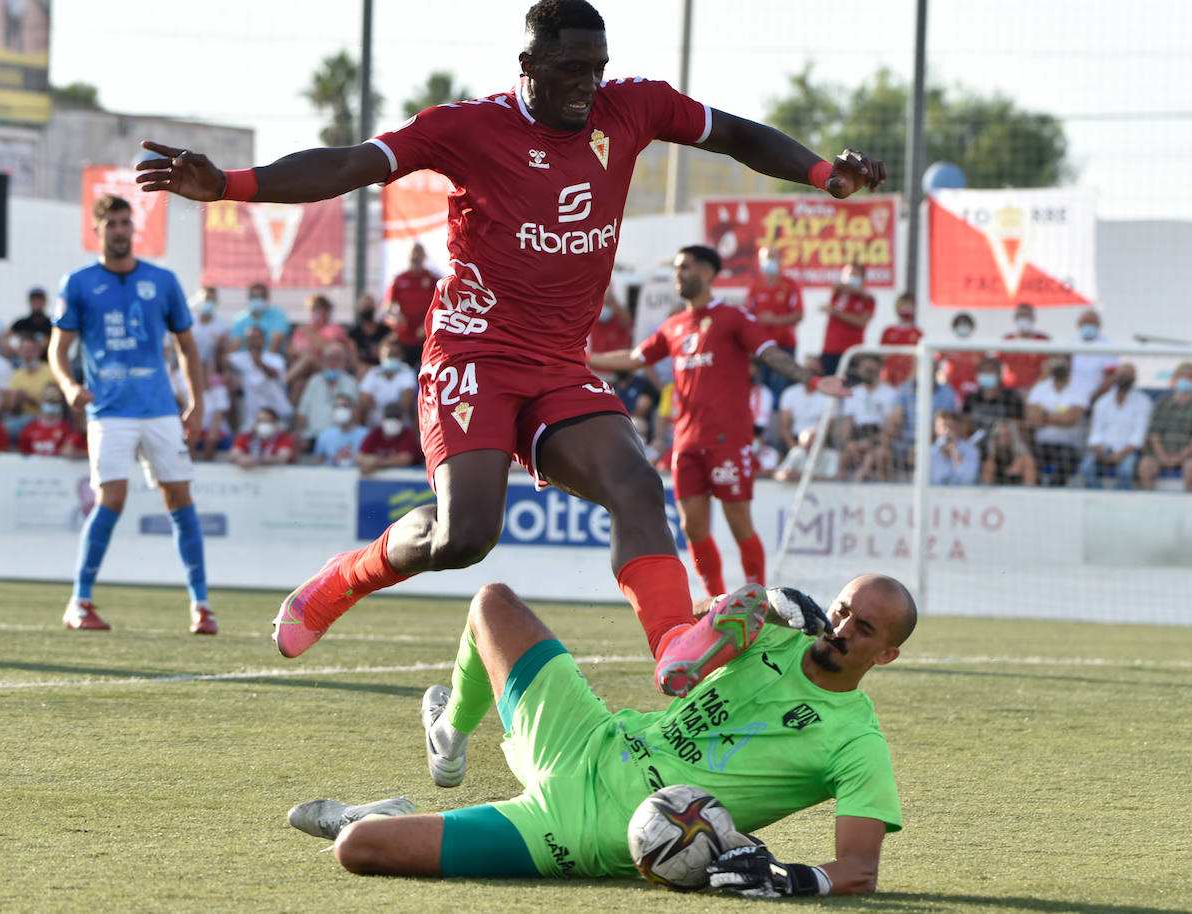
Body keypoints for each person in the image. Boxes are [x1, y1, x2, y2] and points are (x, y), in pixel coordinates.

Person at [134, 0, 885, 696]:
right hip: (473, 355)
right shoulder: (467, 128)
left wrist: (823, 174)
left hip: (560, 364)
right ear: (527, 67)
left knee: (635, 483)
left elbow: (733, 133)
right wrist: (230, 183)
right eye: (571, 69)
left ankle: (672, 644)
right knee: (467, 537)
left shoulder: (635, 105)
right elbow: (349, 164)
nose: (589, 84)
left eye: (598, 67)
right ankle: (346, 577)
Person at [288, 576, 913, 899]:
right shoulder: (777, 634)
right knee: (492, 604)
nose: (839, 629)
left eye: (862, 629)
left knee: (360, 849)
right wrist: (761, 602)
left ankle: (379, 816)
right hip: (589, 736)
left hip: (588, 828)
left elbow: (859, 871)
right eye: (840, 611)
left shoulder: (858, 744)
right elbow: (685, 640)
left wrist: (789, 879)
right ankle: (449, 735)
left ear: (884, 655)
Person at [590, 245, 846, 598]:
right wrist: (585, 359)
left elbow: (769, 353)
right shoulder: (674, 325)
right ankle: (716, 602)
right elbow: (635, 358)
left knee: (738, 521)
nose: (679, 274)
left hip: (728, 439)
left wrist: (812, 380)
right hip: (686, 442)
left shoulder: (732, 317)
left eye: (686, 267)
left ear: (709, 273)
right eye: (677, 268)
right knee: (692, 527)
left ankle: (757, 598)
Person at [47, 195, 214, 635]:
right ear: (98, 230)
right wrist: (68, 385)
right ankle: (79, 603)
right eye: (112, 224)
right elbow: (58, 349)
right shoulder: (78, 283)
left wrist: (196, 402)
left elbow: (187, 347)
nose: (120, 230)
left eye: (126, 222)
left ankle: (201, 606)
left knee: (180, 499)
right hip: (109, 411)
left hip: (160, 409)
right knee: (112, 499)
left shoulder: (162, 280)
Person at [961, 357, 1036, 487]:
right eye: (984, 372)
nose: (986, 375)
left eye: (990, 372)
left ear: (999, 374)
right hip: (978, 448)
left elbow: (1019, 428)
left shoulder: (1011, 398)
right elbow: (964, 426)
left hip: (1005, 447)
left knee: (1025, 459)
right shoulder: (972, 399)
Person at [1137, 362, 1192, 491]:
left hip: (1189, 453)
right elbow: (1154, 434)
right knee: (1145, 466)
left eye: (1190, 376)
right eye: (1182, 375)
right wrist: (1162, 455)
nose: (1185, 379)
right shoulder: (1163, 402)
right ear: (1175, 378)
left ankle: (1189, 506)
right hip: (1161, 450)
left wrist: (1178, 457)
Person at [1077, 363, 1151, 490]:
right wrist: (1099, 451)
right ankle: (1097, 498)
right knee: (1086, 468)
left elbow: (1139, 435)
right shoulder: (1103, 401)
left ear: (1134, 378)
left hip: (1129, 450)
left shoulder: (1143, 402)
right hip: (1103, 449)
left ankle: (1121, 502)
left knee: (1125, 470)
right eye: (1121, 374)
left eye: (1127, 375)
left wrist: (1121, 454)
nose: (1123, 378)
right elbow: (1096, 432)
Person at [745, 246, 803, 406]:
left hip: (785, 346)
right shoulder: (755, 286)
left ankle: (779, 426)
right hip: (761, 348)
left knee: (781, 389)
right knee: (761, 389)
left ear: (780, 260)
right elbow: (746, 317)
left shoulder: (790, 285)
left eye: (773, 257)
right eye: (766, 257)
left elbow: (799, 315)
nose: (769, 261)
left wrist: (774, 320)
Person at [1025, 353, 1087, 486]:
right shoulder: (1040, 388)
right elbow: (1032, 419)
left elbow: (1071, 419)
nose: (1059, 365)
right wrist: (1060, 417)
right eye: (1056, 361)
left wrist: (1044, 414)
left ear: (1070, 364)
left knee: (1064, 463)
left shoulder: (1080, 389)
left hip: (1070, 447)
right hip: (1042, 445)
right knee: (1029, 460)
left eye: (1062, 361)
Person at [293, 343, 361, 451]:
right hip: (312, 437)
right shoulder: (314, 381)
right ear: (323, 361)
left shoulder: (351, 382)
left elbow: (355, 413)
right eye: (329, 358)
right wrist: (299, 433)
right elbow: (303, 410)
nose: (333, 363)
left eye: (337, 359)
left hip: (339, 438)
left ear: (345, 363)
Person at [287, 293, 352, 405]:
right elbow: (290, 350)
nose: (314, 312)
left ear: (327, 311)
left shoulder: (334, 329)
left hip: (327, 367)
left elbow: (330, 348)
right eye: (312, 309)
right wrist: (301, 352)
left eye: (318, 309)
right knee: (299, 384)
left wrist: (309, 334)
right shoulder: (301, 330)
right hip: (303, 371)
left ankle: (282, 382)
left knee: (309, 358)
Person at [386, 242, 440, 370]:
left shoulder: (432, 280)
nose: (415, 256)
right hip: (404, 336)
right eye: (413, 253)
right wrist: (396, 315)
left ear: (424, 256)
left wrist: (428, 324)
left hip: (426, 336)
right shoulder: (399, 279)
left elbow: (440, 305)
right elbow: (388, 305)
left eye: (419, 253)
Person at [228, 324, 293, 429]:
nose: (253, 341)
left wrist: (258, 363)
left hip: (279, 417)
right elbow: (223, 360)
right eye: (250, 338)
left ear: (264, 341)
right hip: (253, 420)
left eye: (256, 338)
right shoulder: (241, 358)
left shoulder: (275, 359)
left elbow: (273, 374)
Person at [819, 264, 874, 377]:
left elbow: (861, 322)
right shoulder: (838, 293)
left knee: (850, 386)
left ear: (863, 278)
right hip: (830, 349)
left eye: (854, 274)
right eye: (848, 274)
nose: (850, 277)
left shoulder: (868, 300)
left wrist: (836, 313)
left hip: (852, 351)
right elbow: (836, 286)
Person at [2, 333, 55, 440]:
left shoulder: (50, 372)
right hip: (21, 416)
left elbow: (54, 405)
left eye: (31, 350)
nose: (27, 354)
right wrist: (16, 399)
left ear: (39, 352)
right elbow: (11, 409)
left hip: (44, 417)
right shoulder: (16, 375)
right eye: (24, 350)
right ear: (19, 352)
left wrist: (29, 399)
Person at [356, 336, 417, 427]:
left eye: (395, 355)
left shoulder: (407, 372)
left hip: (400, 425)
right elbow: (363, 401)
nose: (392, 358)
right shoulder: (372, 373)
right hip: (375, 426)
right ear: (380, 355)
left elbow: (406, 404)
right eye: (389, 355)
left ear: (401, 356)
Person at [18, 384, 86, 458]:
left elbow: (74, 450)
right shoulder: (29, 429)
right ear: (41, 399)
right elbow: (22, 456)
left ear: (60, 401)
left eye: (55, 398)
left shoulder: (68, 429)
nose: (51, 400)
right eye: (48, 397)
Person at [357, 402, 424, 475]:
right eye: (389, 417)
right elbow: (360, 456)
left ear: (403, 420)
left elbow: (405, 459)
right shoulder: (375, 433)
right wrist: (368, 461)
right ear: (382, 419)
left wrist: (377, 462)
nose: (392, 421)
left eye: (396, 418)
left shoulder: (408, 435)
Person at [1068, 308, 1118, 404]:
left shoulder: (1108, 346)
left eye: (1092, 322)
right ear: (1079, 324)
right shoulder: (1070, 344)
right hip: (1072, 398)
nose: (1089, 325)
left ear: (1099, 325)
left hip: (1099, 398)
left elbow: (1111, 376)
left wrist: (1094, 397)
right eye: (1086, 322)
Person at [999, 302, 1049, 394]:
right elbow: (996, 366)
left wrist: (1032, 390)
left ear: (1033, 318)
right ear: (1015, 318)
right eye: (1020, 316)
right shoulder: (1006, 340)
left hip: (1036, 391)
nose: (1023, 319)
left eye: (1026, 316)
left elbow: (1046, 371)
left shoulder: (1042, 340)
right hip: (1009, 391)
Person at [228, 282, 290, 355]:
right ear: (249, 298)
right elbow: (234, 344)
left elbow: (276, 341)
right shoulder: (240, 318)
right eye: (254, 297)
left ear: (267, 298)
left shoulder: (278, 314)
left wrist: (266, 362)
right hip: (245, 359)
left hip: (268, 359)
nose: (258, 299)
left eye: (261, 296)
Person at [877, 293, 923, 388]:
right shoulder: (888, 331)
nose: (906, 308)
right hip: (889, 378)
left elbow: (919, 360)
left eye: (909, 305)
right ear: (897, 308)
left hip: (910, 378)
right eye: (903, 305)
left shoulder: (918, 333)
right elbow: (881, 357)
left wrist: (911, 378)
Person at [231, 406, 298, 468]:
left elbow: (282, 458)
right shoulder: (246, 436)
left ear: (275, 423)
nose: (262, 424)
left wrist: (255, 460)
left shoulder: (283, 437)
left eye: (266, 421)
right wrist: (241, 459)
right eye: (259, 421)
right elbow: (233, 454)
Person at [312, 394, 369, 467]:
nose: (340, 410)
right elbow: (318, 462)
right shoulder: (324, 435)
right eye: (336, 407)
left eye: (344, 406)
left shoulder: (366, 435)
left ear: (354, 409)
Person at [928, 409, 980, 486]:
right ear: (936, 429)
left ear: (957, 428)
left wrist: (956, 453)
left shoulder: (971, 451)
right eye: (944, 426)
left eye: (951, 427)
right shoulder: (929, 453)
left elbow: (968, 479)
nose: (947, 431)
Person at [937, 312, 981, 397]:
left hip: (972, 392)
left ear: (971, 326)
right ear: (955, 327)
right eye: (960, 323)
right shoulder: (947, 348)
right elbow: (936, 365)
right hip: (951, 389)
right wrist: (942, 381)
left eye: (965, 323)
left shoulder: (979, 350)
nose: (963, 326)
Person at [347, 293, 392, 376]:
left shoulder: (385, 331)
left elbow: (391, 353)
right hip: (363, 371)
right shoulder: (353, 334)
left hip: (384, 369)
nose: (367, 309)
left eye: (369, 306)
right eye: (364, 306)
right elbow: (355, 361)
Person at [187, 287, 228, 370]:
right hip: (188, 366)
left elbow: (221, 359)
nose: (209, 303)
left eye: (212, 300)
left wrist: (219, 347)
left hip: (209, 370)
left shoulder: (223, 327)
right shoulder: (188, 321)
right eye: (206, 299)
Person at [8, 287, 54, 356]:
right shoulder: (20, 323)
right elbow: (5, 339)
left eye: (39, 300)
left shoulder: (53, 323)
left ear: (45, 302)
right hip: (24, 364)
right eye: (34, 300)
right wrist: (18, 349)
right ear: (29, 302)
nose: (37, 302)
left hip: (47, 363)